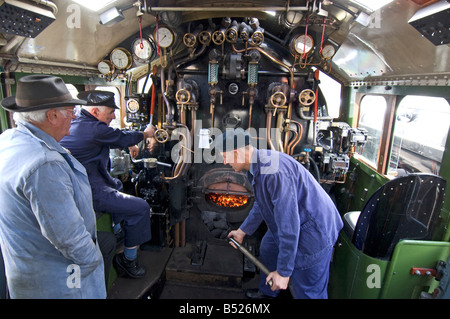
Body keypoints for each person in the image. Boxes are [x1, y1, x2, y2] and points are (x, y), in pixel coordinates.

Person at [0, 75, 107, 298]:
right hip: (60, 281)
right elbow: (69, 237)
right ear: (53, 116)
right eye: (71, 111)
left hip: (27, 273)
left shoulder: (9, 140)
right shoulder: (44, 164)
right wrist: (93, 262)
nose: (74, 117)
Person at [218, 128, 344, 299]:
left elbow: (289, 223)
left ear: (237, 153)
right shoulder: (255, 167)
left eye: (225, 156)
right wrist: (242, 231)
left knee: (308, 290)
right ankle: (268, 291)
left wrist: (284, 272)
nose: (225, 162)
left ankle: (283, 280)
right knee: (268, 248)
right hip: (293, 221)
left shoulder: (274, 172)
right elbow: (262, 204)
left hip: (314, 229)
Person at [60, 90, 155, 279]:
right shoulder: (94, 129)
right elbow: (119, 136)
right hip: (87, 189)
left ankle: (119, 230)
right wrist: (145, 133)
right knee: (141, 208)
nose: (113, 117)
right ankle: (128, 261)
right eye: (111, 112)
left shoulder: (80, 123)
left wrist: (127, 143)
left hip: (88, 182)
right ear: (95, 111)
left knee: (118, 184)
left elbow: (112, 138)